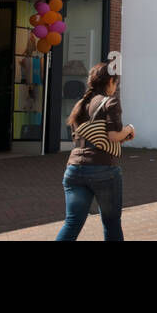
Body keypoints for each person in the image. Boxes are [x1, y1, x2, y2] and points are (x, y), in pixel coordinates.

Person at [57, 62, 134, 241]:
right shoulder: (111, 101)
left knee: (72, 222)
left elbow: (86, 136)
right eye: (115, 83)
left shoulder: (80, 104)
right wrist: (129, 129)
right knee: (111, 222)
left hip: (74, 169)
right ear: (109, 82)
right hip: (103, 169)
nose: (115, 88)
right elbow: (114, 135)